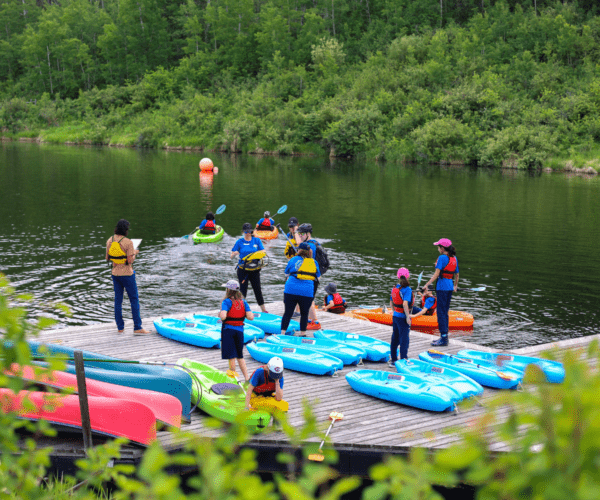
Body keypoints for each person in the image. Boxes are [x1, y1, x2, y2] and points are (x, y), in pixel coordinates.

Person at [105, 219, 150, 336]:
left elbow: (107, 258)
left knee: (118, 300)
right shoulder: (128, 242)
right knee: (134, 300)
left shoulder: (110, 240)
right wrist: (135, 252)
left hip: (115, 274)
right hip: (127, 274)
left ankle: (120, 327)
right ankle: (137, 327)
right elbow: (129, 260)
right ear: (125, 230)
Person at [422, 238, 459, 346]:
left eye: (438, 247)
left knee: (441, 313)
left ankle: (443, 339)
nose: (438, 249)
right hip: (450, 287)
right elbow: (457, 274)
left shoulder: (442, 257)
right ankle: (444, 337)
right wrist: (455, 285)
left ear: (442, 248)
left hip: (442, 288)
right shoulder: (454, 258)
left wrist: (427, 285)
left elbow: (437, 274)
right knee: (445, 312)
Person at [280, 242, 321, 336]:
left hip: (291, 289)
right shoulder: (313, 262)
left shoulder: (293, 259)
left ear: (299, 250)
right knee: (304, 313)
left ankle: (282, 333)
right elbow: (317, 277)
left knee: (287, 313)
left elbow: (286, 273)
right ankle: (303, 334)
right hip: (307, 291)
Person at [218, 280, 253, 381]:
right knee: (240, 356)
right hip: (239, 331)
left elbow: (223, 317)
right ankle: (247, 378)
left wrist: (220, 313)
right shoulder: (243, 302)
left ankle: (233, 380)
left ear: (228, 290)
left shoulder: (227, 301)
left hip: (228, 331)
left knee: (231, 356)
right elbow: (251, 317)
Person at [231, 223, 268, 313]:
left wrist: (255, 255)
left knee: (257, 290)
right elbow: (231, 256)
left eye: (250, 231)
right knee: (243, 290)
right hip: (243, 270)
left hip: (254, 270)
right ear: (243, 232)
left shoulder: (257, 241)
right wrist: (234, 253)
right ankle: (240, 309)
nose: (248, 233)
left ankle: (264, 310)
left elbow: (263, 251)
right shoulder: (239, 242)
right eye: (246, 231)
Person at [295, 223, 321, 330]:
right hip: (314, 275)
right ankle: (311, 320)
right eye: (299, 233)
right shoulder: (315, 242)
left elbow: (308, 260)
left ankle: (315, 323)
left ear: (308, 234)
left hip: (311, 276)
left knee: (309, 300)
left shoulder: (311, 246)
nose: (300, 236)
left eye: (302, 234)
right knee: (309, 299)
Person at [389, 267, 413, 366]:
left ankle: (393, 360)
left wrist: (395, 312)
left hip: (395, 316)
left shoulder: (395, 288)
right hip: (403, 317)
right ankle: (403, 360)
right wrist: (407, 317)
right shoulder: (407, 289)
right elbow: (405, 304)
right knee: (404, 339)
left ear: (397, 276)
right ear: (408, 277)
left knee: (395, 338)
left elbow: (391, 303)